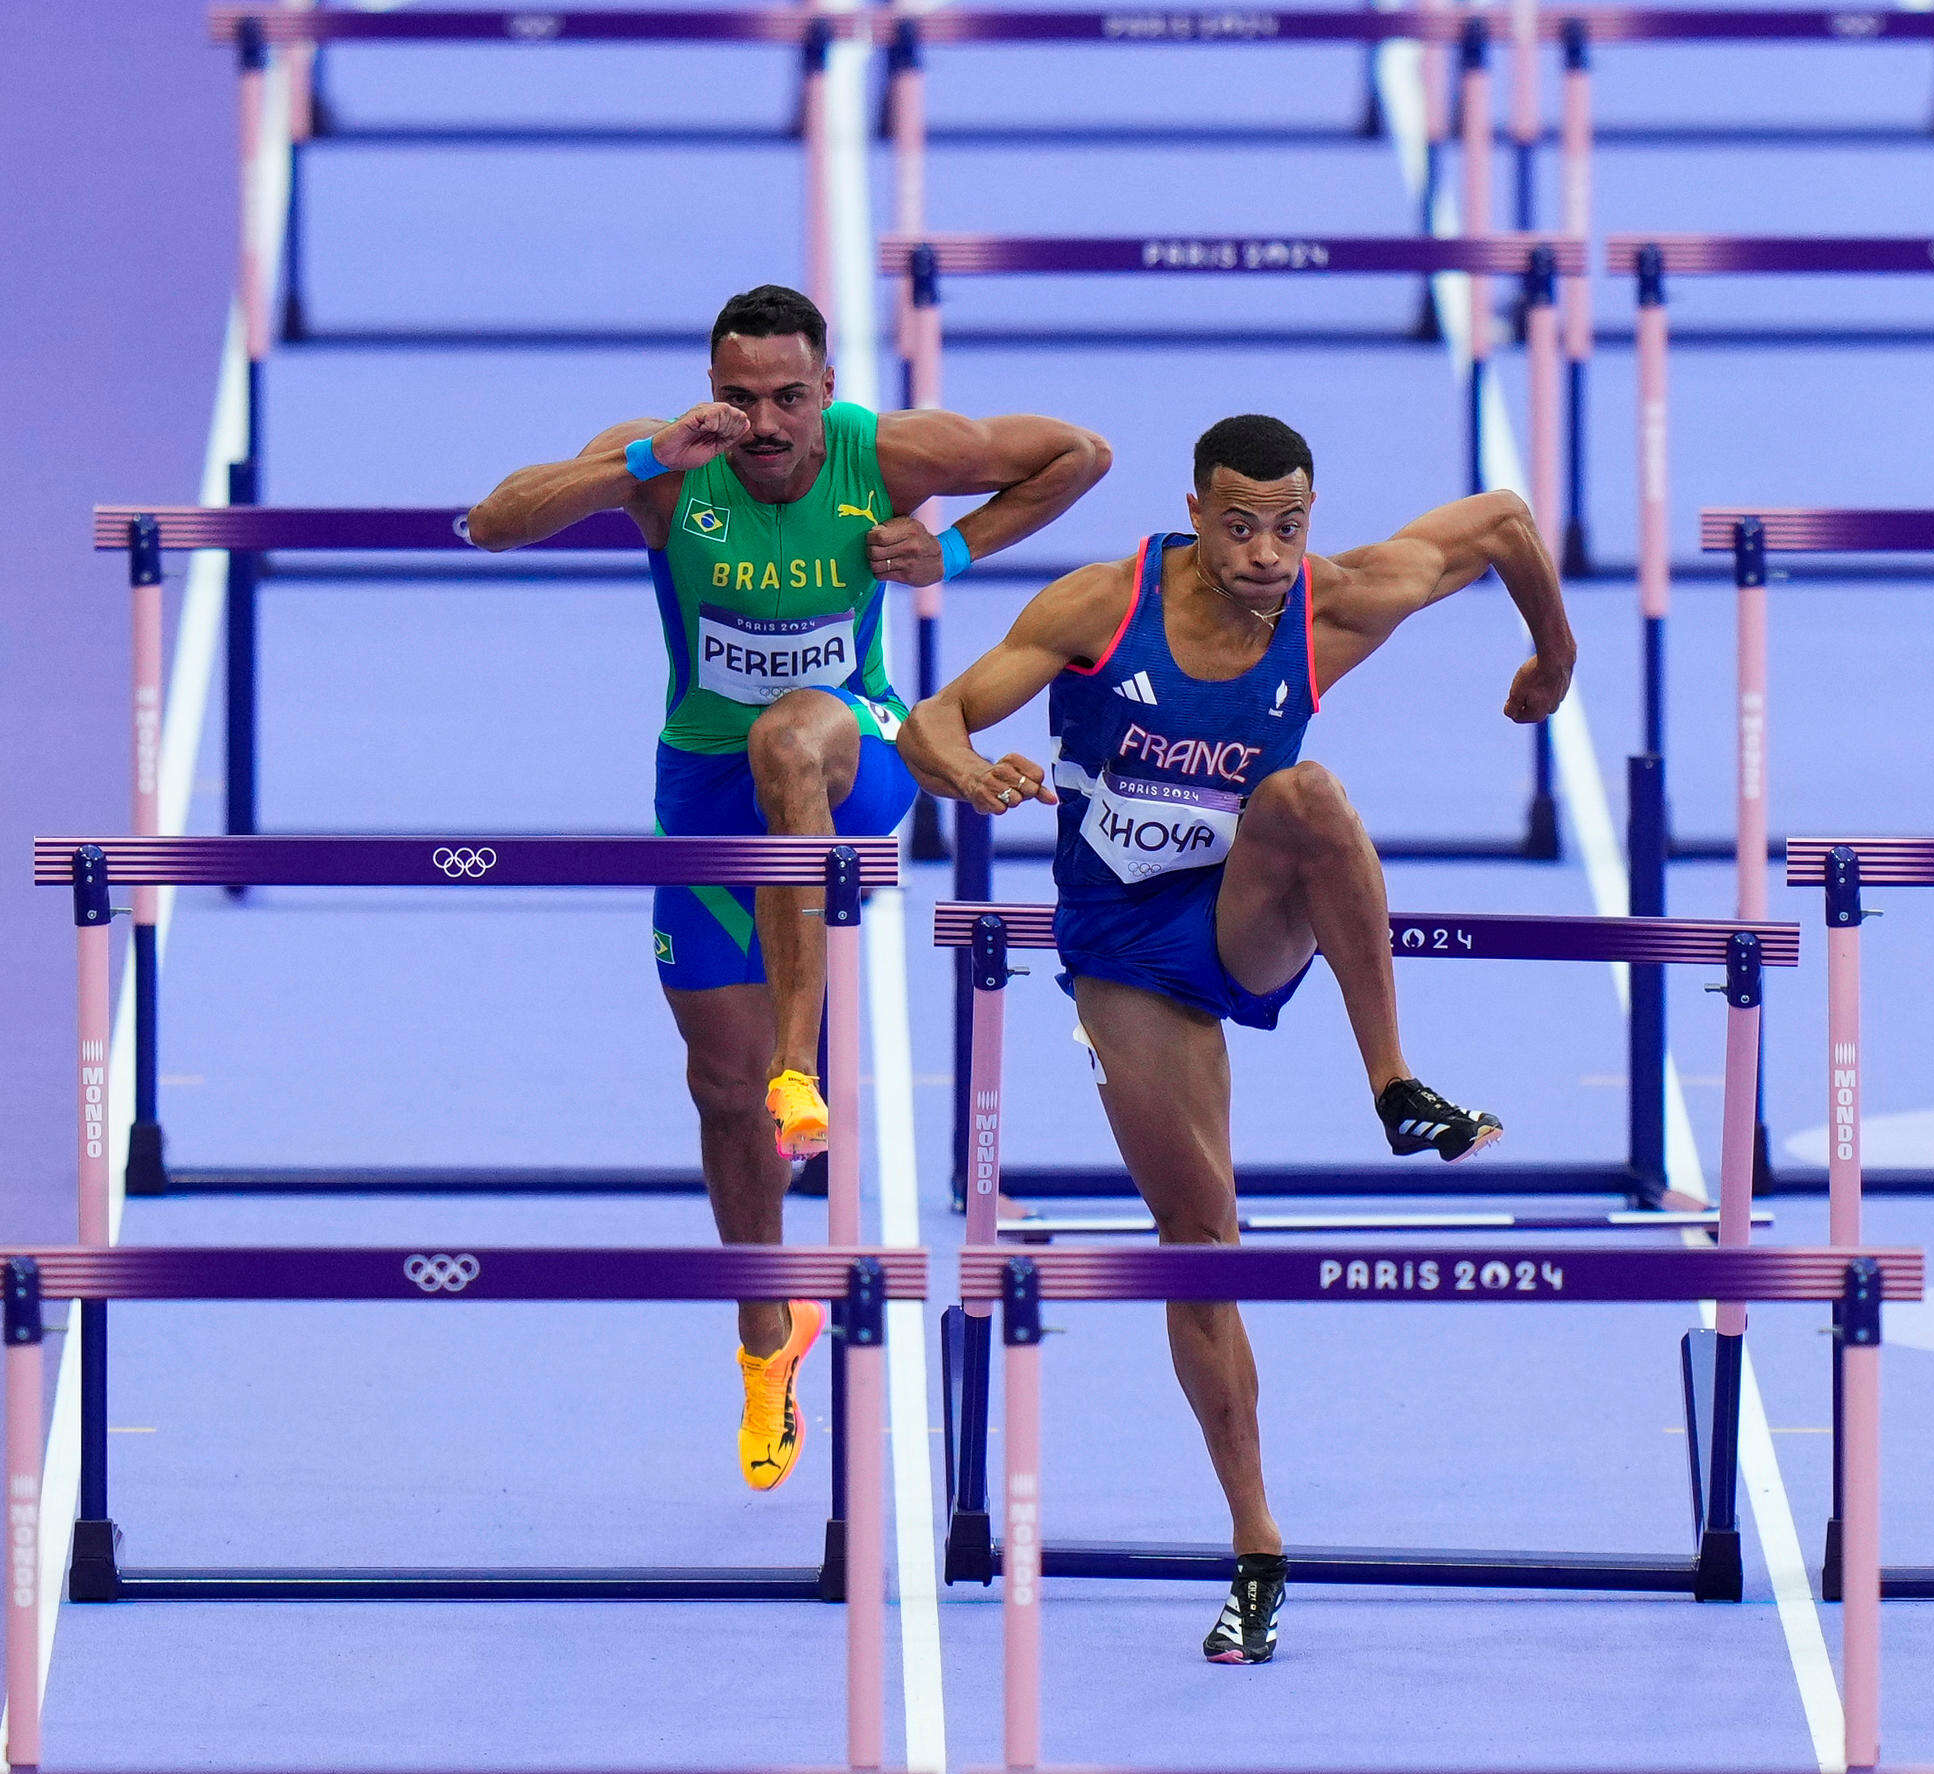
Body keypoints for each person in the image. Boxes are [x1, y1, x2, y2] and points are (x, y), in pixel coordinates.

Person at [903, 413, 1576, 1663]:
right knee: (1201, 1244)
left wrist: (1557, 656)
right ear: (1196, 515)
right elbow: (934, 719)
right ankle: (1258, 1547)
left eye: (1289, 525)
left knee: (1305, 796)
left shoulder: (1335, 607)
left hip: (1241, 914)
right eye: (1240, 525)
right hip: (1120, 950)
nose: (1267, 551)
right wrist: (971, 771)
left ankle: (1396, 1085)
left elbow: (1504, 521)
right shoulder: (1104, 607)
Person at [465, 284, 1109, 1491]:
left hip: (855, 750)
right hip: (701, 792)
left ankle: (800, 1063)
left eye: (789, 397)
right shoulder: (669, 465)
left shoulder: (891, 454)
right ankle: (768, 1338)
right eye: (742, 395)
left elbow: (1082, 452)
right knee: (718, 1096)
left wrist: (957, 545)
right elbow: (490, 523)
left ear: (827, 390)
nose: (763, 422)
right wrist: (651, 457)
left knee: (790, 741)